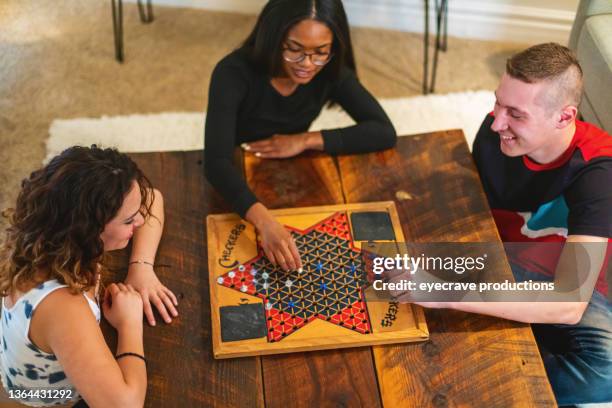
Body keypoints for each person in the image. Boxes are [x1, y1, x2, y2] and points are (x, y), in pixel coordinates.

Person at [415, 43, 612, 405]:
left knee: (606, 372)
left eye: (515, 114)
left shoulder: (599, 172)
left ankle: (487, 383)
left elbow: (570, 301)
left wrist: (451, 294)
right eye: (497, 103)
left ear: (565, 117)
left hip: (570, 280)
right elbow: (473, 213)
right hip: (502, 257)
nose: (496, 121)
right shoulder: (495, 135)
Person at [204, 0, 397, 272]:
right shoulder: (232, 73)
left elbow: (383, 131)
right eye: (294, 50)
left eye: (320, 52)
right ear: (274, 39)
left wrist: (304, 140)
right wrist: (265, 223)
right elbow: (216, 162)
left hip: (293, 170)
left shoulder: (331, 72)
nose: (307, 64)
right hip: (239, 175)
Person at [0, 146, 178, 406]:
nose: (140, 220)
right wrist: (129, 324)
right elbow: (124, 405)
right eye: (129, 221)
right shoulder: (62, 306)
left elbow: (154, 197)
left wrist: (141, 267)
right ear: (89, 229)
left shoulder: (51, 231)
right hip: (43, 397)